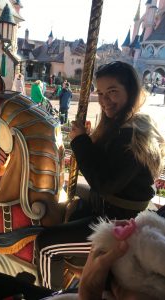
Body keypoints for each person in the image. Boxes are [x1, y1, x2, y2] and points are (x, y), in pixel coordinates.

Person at [35, 61, 165, 291]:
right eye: (101, 93)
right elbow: (107, 168)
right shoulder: (125, 125)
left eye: (113, 92)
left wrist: (80, 142)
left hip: (121, 220)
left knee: (45, 243)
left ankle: (48, 293)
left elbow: (104, 182)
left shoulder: (134, 135)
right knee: (69, 198)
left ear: (131, 92)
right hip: (118, 206)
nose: (105, 100)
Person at [0, 207, 165, 300]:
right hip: (115, 225)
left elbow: (106, 180)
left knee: (45, 245)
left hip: (114, 221)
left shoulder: (128, 138)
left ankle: (50, 284)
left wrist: (88, 291)